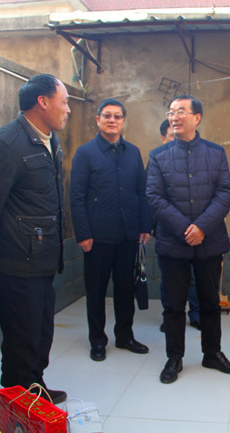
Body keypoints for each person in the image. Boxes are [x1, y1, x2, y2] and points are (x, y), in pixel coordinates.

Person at [0, 74, 70, 403]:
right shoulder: (7, 144)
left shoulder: (49, 141)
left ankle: (35, 388)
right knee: (20, 341)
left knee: (40, 334)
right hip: (17, 261)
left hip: (43, 259)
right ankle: (18, 408)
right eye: (64, 102)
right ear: (43, 102)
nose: (68, 109)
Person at [147, 95, 230, 384]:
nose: (174, 117)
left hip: (209, 241)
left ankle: (212, 353)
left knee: (210, 302)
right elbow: (154, 196)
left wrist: (201, 227)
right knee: (174, 305)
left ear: (197, 118)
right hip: (173, 242)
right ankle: (174, 357)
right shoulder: (158, 156)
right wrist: (184, 228)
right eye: (171, 112)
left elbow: (224, 192)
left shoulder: (216, 153)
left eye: (181, 112)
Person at [70, 98, 151, 362]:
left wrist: (144, 225)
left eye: (117, 116)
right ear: (98, 120)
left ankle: (125, 336)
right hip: (97, 236)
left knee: (125, 289)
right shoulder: (85, 153)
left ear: (124, 121)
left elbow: (142, 192)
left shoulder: (133, 152)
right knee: (96, 290)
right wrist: (83, 233)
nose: (112, 120)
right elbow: (76, 196)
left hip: (128, 234)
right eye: (107, 115)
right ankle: (97, 341)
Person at [157, 119, 200, 332]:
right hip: (168, 231)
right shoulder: (157, 161)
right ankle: (171, 317)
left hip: (195, 230)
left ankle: (196, 314)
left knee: (193, 278)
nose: (176, 140)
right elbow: (152, 198)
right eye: (172, 136)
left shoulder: (197, 160)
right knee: (169, 280)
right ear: (163, 139)